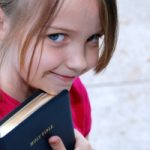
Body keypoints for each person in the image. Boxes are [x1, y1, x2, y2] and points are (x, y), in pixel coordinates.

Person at [0, 0, 118, 149]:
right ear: (2, 23)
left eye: (93, 37)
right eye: (56, 36)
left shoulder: (74, 94)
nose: (79, 63)